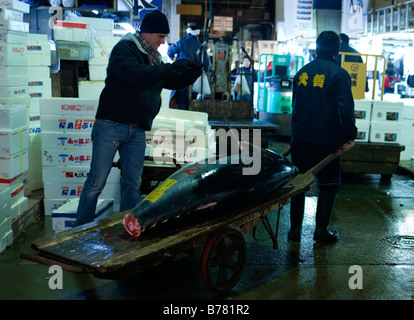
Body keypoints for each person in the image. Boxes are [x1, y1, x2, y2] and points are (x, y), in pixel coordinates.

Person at [75, 10, 202, 226]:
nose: (163, 42)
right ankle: (79, 230)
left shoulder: (154, 58)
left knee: (133, 185)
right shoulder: (124, 49)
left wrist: (191, 73)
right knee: (96, 183)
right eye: (160, 37)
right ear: (147, 33)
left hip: (137, 130)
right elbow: (136, 75)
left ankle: (126, 228)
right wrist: (169, 68)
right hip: (111, 126)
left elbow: (167, 81)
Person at [289, 31, 357, 243]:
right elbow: (346, 109)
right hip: (327, 140)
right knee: (328, 185)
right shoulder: (339, 73)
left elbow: (295, 106)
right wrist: (349, 135)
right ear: (336, 50)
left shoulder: (302, 72)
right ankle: (321, 232)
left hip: (300, 138)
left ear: (316, 48)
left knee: (298, 184)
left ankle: (295, 232)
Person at [167, 25, 211, 109]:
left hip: (182, 74)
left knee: (181, 98)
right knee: (192, 97)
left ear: (188, 32)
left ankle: (181, 117)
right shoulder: (201, 46)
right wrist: (205, 71)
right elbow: (207, 63)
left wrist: (172, 56)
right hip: (195, 76)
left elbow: (170, 50)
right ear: (197, 34)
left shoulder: (182, 42)